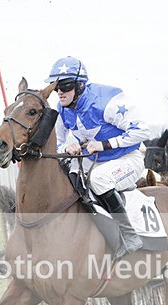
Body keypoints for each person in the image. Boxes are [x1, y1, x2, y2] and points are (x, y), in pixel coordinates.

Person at [45, 56, 151, 258]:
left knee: (99, 179)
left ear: (80, 85)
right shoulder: (61, 108)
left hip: (127, 158)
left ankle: (129, 235)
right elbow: (58, 142)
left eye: (65, 86)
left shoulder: (107, 102)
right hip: (93, 161)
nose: (59, 91)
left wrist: (105, 144)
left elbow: (142, 131)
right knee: (65, 177)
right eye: (56, 86)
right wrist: (69, 146)